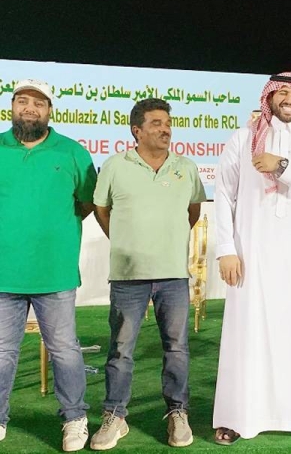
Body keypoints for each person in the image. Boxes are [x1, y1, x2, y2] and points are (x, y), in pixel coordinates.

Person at [213, 72, 291, 445]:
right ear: (268, 98)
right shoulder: (242, 139)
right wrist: (226, 249)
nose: (288, 98)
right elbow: (223, 195)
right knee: (245, 333)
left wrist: (282, 167)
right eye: (281, 91)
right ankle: (238, 417)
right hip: (251, 255)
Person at [91, 98, 206, 450]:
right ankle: (115, 416)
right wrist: (129, 241)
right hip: (128, 277)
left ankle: (177, 412)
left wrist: (164, 245)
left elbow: (193, 211)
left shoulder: (185, 167)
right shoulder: (114, 166)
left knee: (176, 348)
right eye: (156, 122)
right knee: (122, 349)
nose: (165, 128)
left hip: (173, 275)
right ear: (136, 130)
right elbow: (100, 209)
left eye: (168, 122)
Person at [0, 79, 97, 451]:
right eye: (22, 101)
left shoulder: (72, 152)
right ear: (12, 107)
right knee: (2, 352)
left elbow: (89, 202)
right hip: (4, 274)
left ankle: (74, 419)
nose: (30, 109)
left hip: (54, 273)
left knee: (65, 350)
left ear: (49, 111)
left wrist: (55, 230)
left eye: (38, 104)